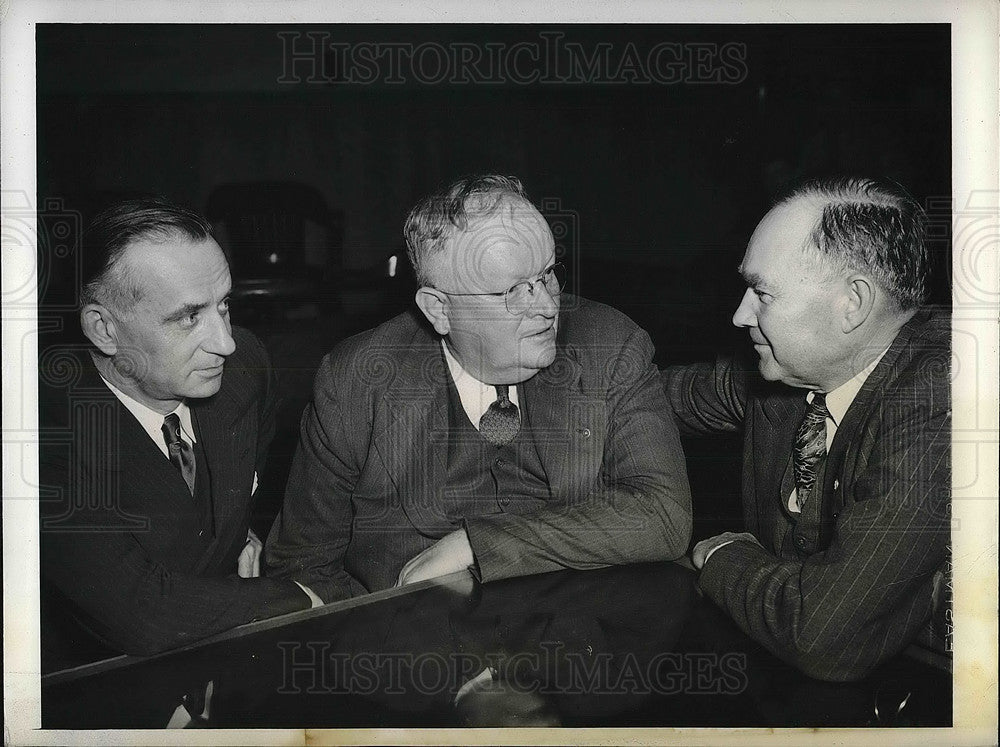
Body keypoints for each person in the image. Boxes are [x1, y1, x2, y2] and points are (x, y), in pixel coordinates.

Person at [266, 175, 691, 601]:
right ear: (439, 310)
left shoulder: (608, 345)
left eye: (546, 275)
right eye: (511, 292)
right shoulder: (357, 381)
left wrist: (477, 545)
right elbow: (303, 569)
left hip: (570, 645)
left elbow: (663, 515)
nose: (546, 307)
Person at [663, 176, 950, 681]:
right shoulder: (790, 370)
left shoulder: (945, 395)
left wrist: (723, 555)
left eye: (762, 294)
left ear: (853, 303)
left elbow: (824, 634)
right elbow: (636, 398)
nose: (739, 315)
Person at [39, 198, 316, 660]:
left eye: (224, 305)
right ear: (104, 329)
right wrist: (297, 597)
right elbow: (142, 614)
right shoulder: (41, 432)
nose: (225, 342)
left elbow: (246, 483)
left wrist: (237, 529)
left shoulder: (246, 366)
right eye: (189, 317)